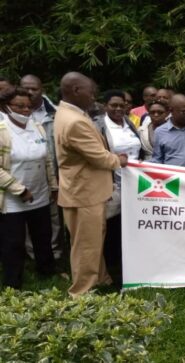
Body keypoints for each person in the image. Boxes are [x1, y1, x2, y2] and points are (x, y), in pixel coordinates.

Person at [54, 72, 128, 297]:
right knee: (86, 246)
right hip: (83, 193)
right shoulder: (75, 120)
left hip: (87, 191)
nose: (94, 97)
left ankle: (102, 279)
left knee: (94, 241)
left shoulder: (68, 113)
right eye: (91, 92)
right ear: (76, 90)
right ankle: (81, 291)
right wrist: (120, 160)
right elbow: (99, 158)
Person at [0, 86, 57, 288]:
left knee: (43, 236)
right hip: (12, 199)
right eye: (20, 106)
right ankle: (13, 283)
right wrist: (19, 190)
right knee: (13, 243)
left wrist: (53, 186)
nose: (25, 110)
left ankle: (47, 272)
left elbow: (48, 159)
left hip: (40, 194)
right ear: (7, 107)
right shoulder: (2, 131)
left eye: (28, 106)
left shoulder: (36, 126)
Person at [94, 90, 143, 281]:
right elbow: (98, 154)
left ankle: (126, 263)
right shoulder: (99, 125)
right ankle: (110, 267)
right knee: (110, 224)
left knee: (128, 225)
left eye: (121, 105)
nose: (117, 109)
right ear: (105, 106)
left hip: (134, 183)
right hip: (112, 183)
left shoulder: (128, 123)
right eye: (113, 105)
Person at [20, 74, 64, 260]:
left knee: (53, 216)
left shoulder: (55, 113)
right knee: (26, 214)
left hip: (51, 171)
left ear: (42, 89)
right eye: (26, 88)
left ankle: (54, 252)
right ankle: (31, 254)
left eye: (34, 89)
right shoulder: (11, 111)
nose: (30, 92)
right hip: (21, 172)